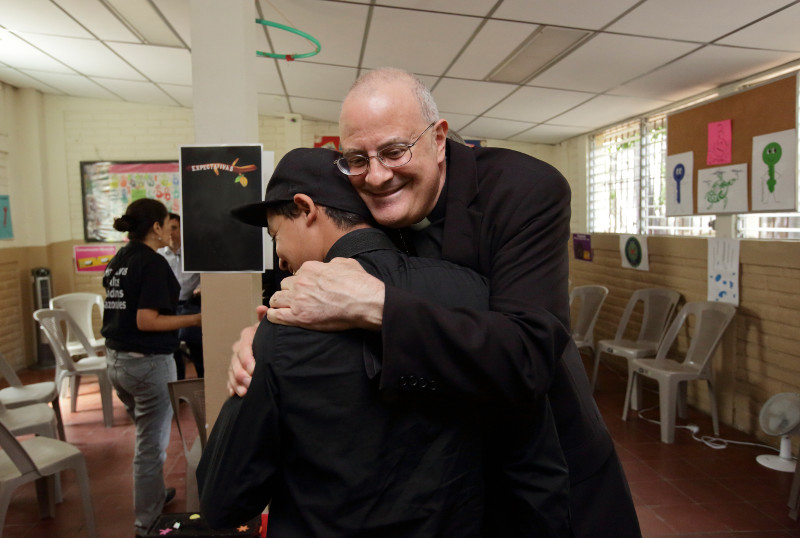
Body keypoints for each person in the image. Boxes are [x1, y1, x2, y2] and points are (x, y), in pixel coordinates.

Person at [230, 68, 640, 536]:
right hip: (451, 476)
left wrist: (377, 304)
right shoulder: (367, 195)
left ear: (439, 139)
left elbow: (528, 353)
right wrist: (265, 337)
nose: (378, 175)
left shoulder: (524, 188)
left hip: (548, 463)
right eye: (357, 159)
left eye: (394, 151)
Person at [198, 148, 571, 535]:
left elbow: (222, 500)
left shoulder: (287, 325)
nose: (279, 259)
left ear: (306, 209)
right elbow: (534, 464)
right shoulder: (475, 294)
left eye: (276, 235)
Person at [101, 198, 202, 537]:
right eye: (166, 225)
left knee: (147, 436)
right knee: (150, 447)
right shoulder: (152, 262)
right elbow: (147, 320)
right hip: (146, 365)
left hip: (117, 362)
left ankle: (155, 494)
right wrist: (200, 318)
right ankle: (146, 523)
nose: (169, 231)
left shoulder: (120, 258)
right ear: (156, 227)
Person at [158, 212, 204, 378]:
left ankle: (202, 381)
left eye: (175, 228)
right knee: (172, 348)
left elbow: (204, 277)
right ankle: (178, 385)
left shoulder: (195, 253)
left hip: (190, 304)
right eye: (167, 228)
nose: (171, 233)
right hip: (167, 306)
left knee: (197, 346)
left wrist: (200, 288)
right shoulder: (159, 256)